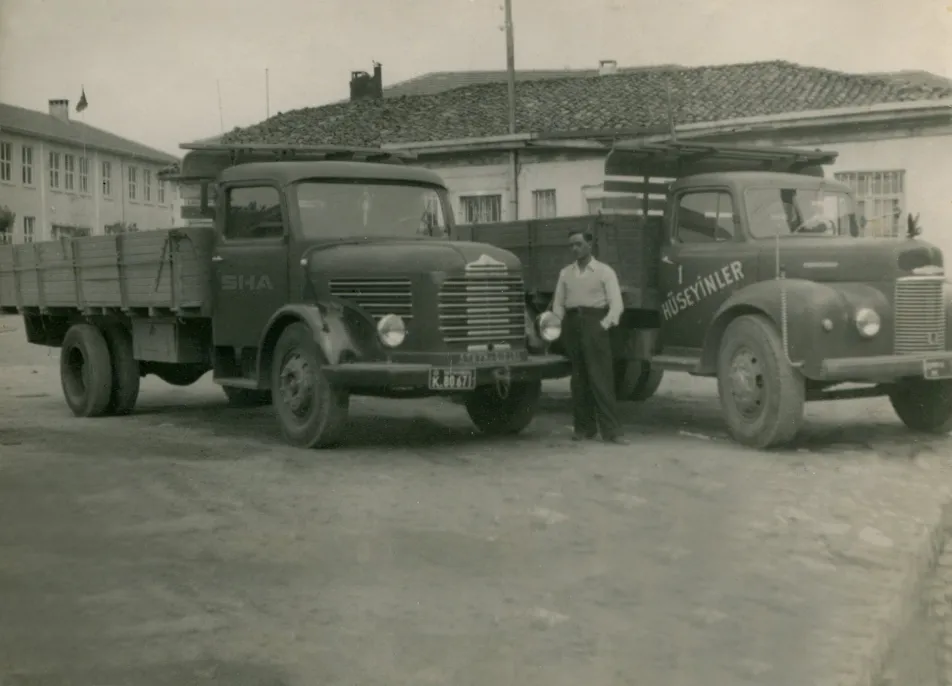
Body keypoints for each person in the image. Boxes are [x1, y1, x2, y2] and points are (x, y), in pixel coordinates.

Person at [550, 228, 629, 445]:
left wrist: (602, 326)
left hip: (595, 324)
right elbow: (558, 303)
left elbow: (616, 305)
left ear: (590, 245)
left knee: (601, 379)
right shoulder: (565, 273)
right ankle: (584, 429)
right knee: (578, 380)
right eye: (571, 245)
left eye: (578, 244)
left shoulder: (604, 272)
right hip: (573, 325)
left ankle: (612, 432)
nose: (574, 249)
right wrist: (558, 323)